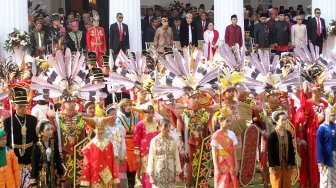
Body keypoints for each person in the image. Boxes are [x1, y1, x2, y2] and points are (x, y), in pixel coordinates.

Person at [4, 87, 38, 187]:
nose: (23, 108)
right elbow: (7, 141)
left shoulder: (32, 120)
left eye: (24, 106)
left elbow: (35, 139)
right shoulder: (8, 121)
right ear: (14, 106)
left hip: (29, 155)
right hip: (15, 156)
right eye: (20, 106)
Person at [80, 117, 120, 187]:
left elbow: (112, 161)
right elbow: (86, 164)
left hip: (107, 175)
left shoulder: (109, 143)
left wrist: (114, 175)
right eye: (98, 129)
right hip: (95, 175)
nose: (100, 131)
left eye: (102, 129)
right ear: (94, 130)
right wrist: (86, 179)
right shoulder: (90, 146)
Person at [147, 118, 182, 188]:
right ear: (159, 127)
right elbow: (151, 158)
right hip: (158, 172)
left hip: (170, 172)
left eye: (169, 126)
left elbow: (176, 157)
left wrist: (177, 173)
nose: (167, 129)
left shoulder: (173, 141)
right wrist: (151, 175)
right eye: (165, 126)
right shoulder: (154, 141)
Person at [30, 119, 65, 187]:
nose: (50, 132)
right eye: (48, 129)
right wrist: (33, 181)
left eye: (51, 129)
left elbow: (57, 160)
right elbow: (34, 164)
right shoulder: (37, 146)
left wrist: (61, 174)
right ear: (41, 132)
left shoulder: (53, 143)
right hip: (41, 178)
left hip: (53, 176)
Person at [211, 107, 239, 188]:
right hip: (221, 162)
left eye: (230, 121)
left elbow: (234, 150)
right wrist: (216, 167)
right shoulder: (216, 135)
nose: (229, 123)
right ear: (220, 121)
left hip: (231, 161)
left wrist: (236, 164)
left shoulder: (232, 134)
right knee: (222, 183)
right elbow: (214, 152)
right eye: (227, 121)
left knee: (231, 181)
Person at [134, 105, 160, 188]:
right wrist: (137, 156)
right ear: (144, 113)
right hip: (145, 154)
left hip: (157, 152)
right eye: (148, 113)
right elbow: (136, 141)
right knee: (147, 174)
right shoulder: (140, 125)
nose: (150, 115)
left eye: (152, 113)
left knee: (157, 172)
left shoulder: (157, 123)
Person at [268, 111, 296, 188]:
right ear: (277, 121)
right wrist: (271, 166)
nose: (285, 121)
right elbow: (270, 152)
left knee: (287, 183)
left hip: (287, 163)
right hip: (277, 164)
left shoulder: (288, 133)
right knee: (277, 183)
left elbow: (291, 149)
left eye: (285, 119)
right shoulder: (272, 135)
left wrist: (293, 164)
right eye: (282, 120)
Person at [116, 99, 139, 188]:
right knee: (124, 168)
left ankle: (132, 185)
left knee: (133, 168)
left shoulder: (135, 117)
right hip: (123, 144)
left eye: (130, 105)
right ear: (122, 107)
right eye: (126, 105)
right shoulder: (119, 118)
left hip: (133, 144)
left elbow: (137, 131)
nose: (128, 107)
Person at [105, 105, 128, 188]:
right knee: (107, 176)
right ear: (106, 115)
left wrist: (123, 154)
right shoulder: (103, 128)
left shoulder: (120, 127)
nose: (114, 116)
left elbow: (122, 142)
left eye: (115, 114)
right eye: (111, 114)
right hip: (106, 157)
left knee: (116, 176)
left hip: (117, 156)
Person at [317, 105, 336, 187]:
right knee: (326, 178)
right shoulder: (322, 128)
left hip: (335, 155)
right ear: (328, 115)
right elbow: (319, 145)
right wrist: (320, 159)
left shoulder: (335, 126)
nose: (335, 117)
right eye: (333, 115)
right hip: (326, 156)